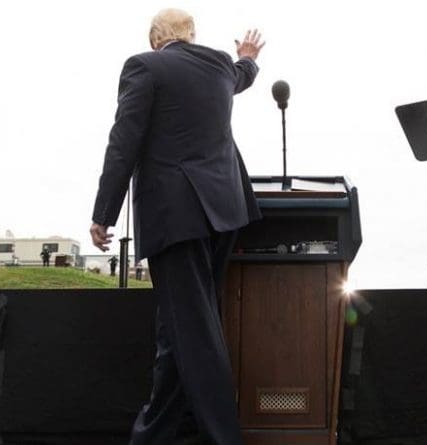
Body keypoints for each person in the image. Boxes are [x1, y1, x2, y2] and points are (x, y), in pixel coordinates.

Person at [89, 9, 264, 445]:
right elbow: (244, 73)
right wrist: (249, 56)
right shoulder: (221, 65)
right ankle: (153, 435)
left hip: (178, 215)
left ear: (154, 39)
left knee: (195, 331)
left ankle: (224, 438)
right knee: (180, 329)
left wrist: (103, 213)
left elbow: (123, 142)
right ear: (191, 35)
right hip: (225, 214)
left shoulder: (144, 66)